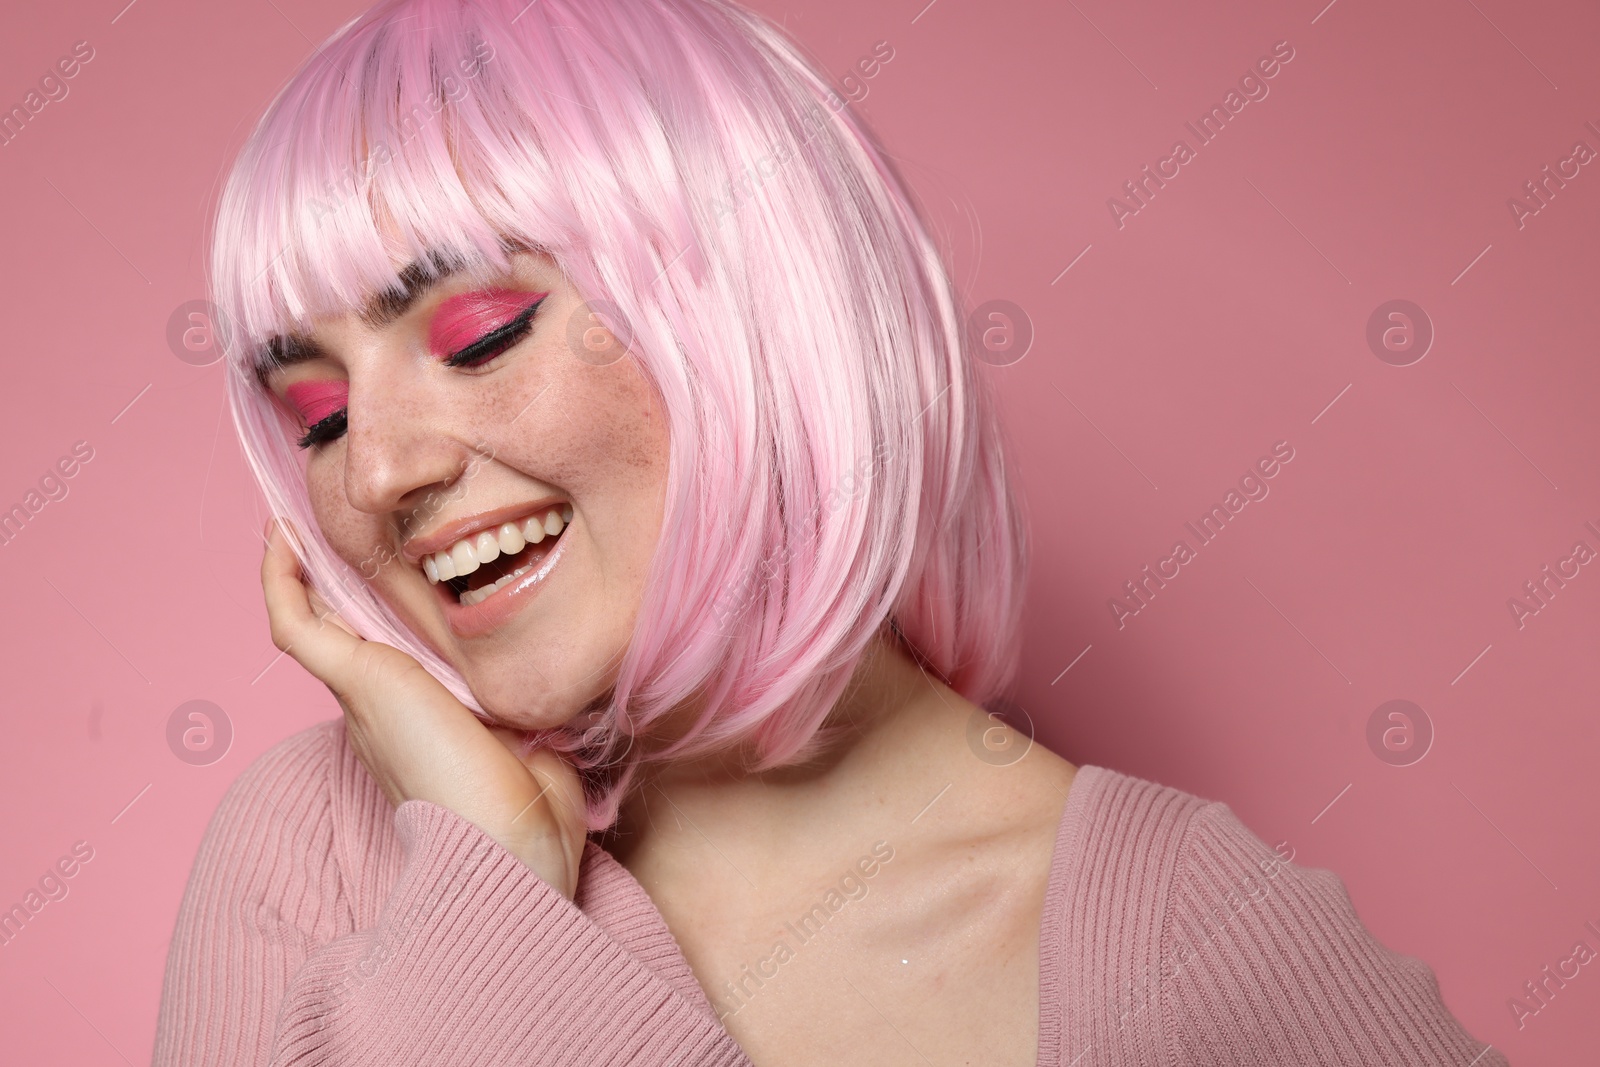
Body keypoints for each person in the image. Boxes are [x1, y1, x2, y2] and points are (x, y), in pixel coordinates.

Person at [152, 0, 1509, 1063]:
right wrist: (483, 901)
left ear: (752, 315)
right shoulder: (329, 845)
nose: (377, 469)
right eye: (316, 412)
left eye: (479, 335)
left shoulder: (1194, 947)